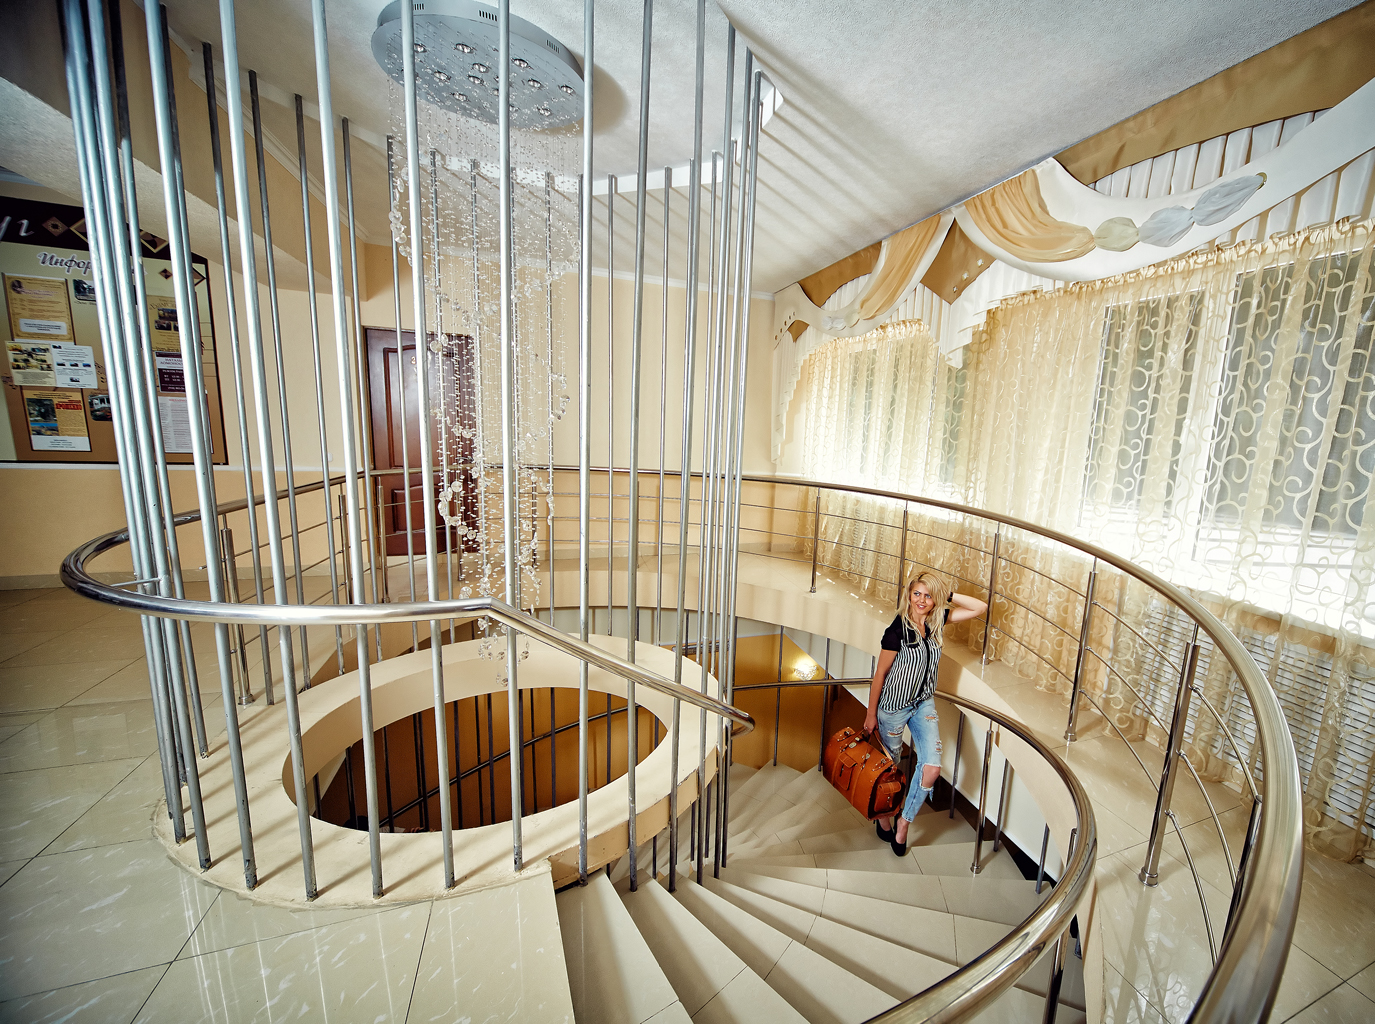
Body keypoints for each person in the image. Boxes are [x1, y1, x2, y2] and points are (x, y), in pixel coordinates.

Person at [863, 570, 987, 855]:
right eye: (917, 593)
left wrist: (946, 594)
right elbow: (880, 674)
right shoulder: (896, 631)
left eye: (928, 596)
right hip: (893, 708)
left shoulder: (936, 620)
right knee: (888, 771)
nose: (921, 600)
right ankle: (884, 819)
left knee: (931, 768)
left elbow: (979, 608)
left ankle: (904, 822)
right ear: (908, 595)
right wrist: (871, 715)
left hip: (923, 704)